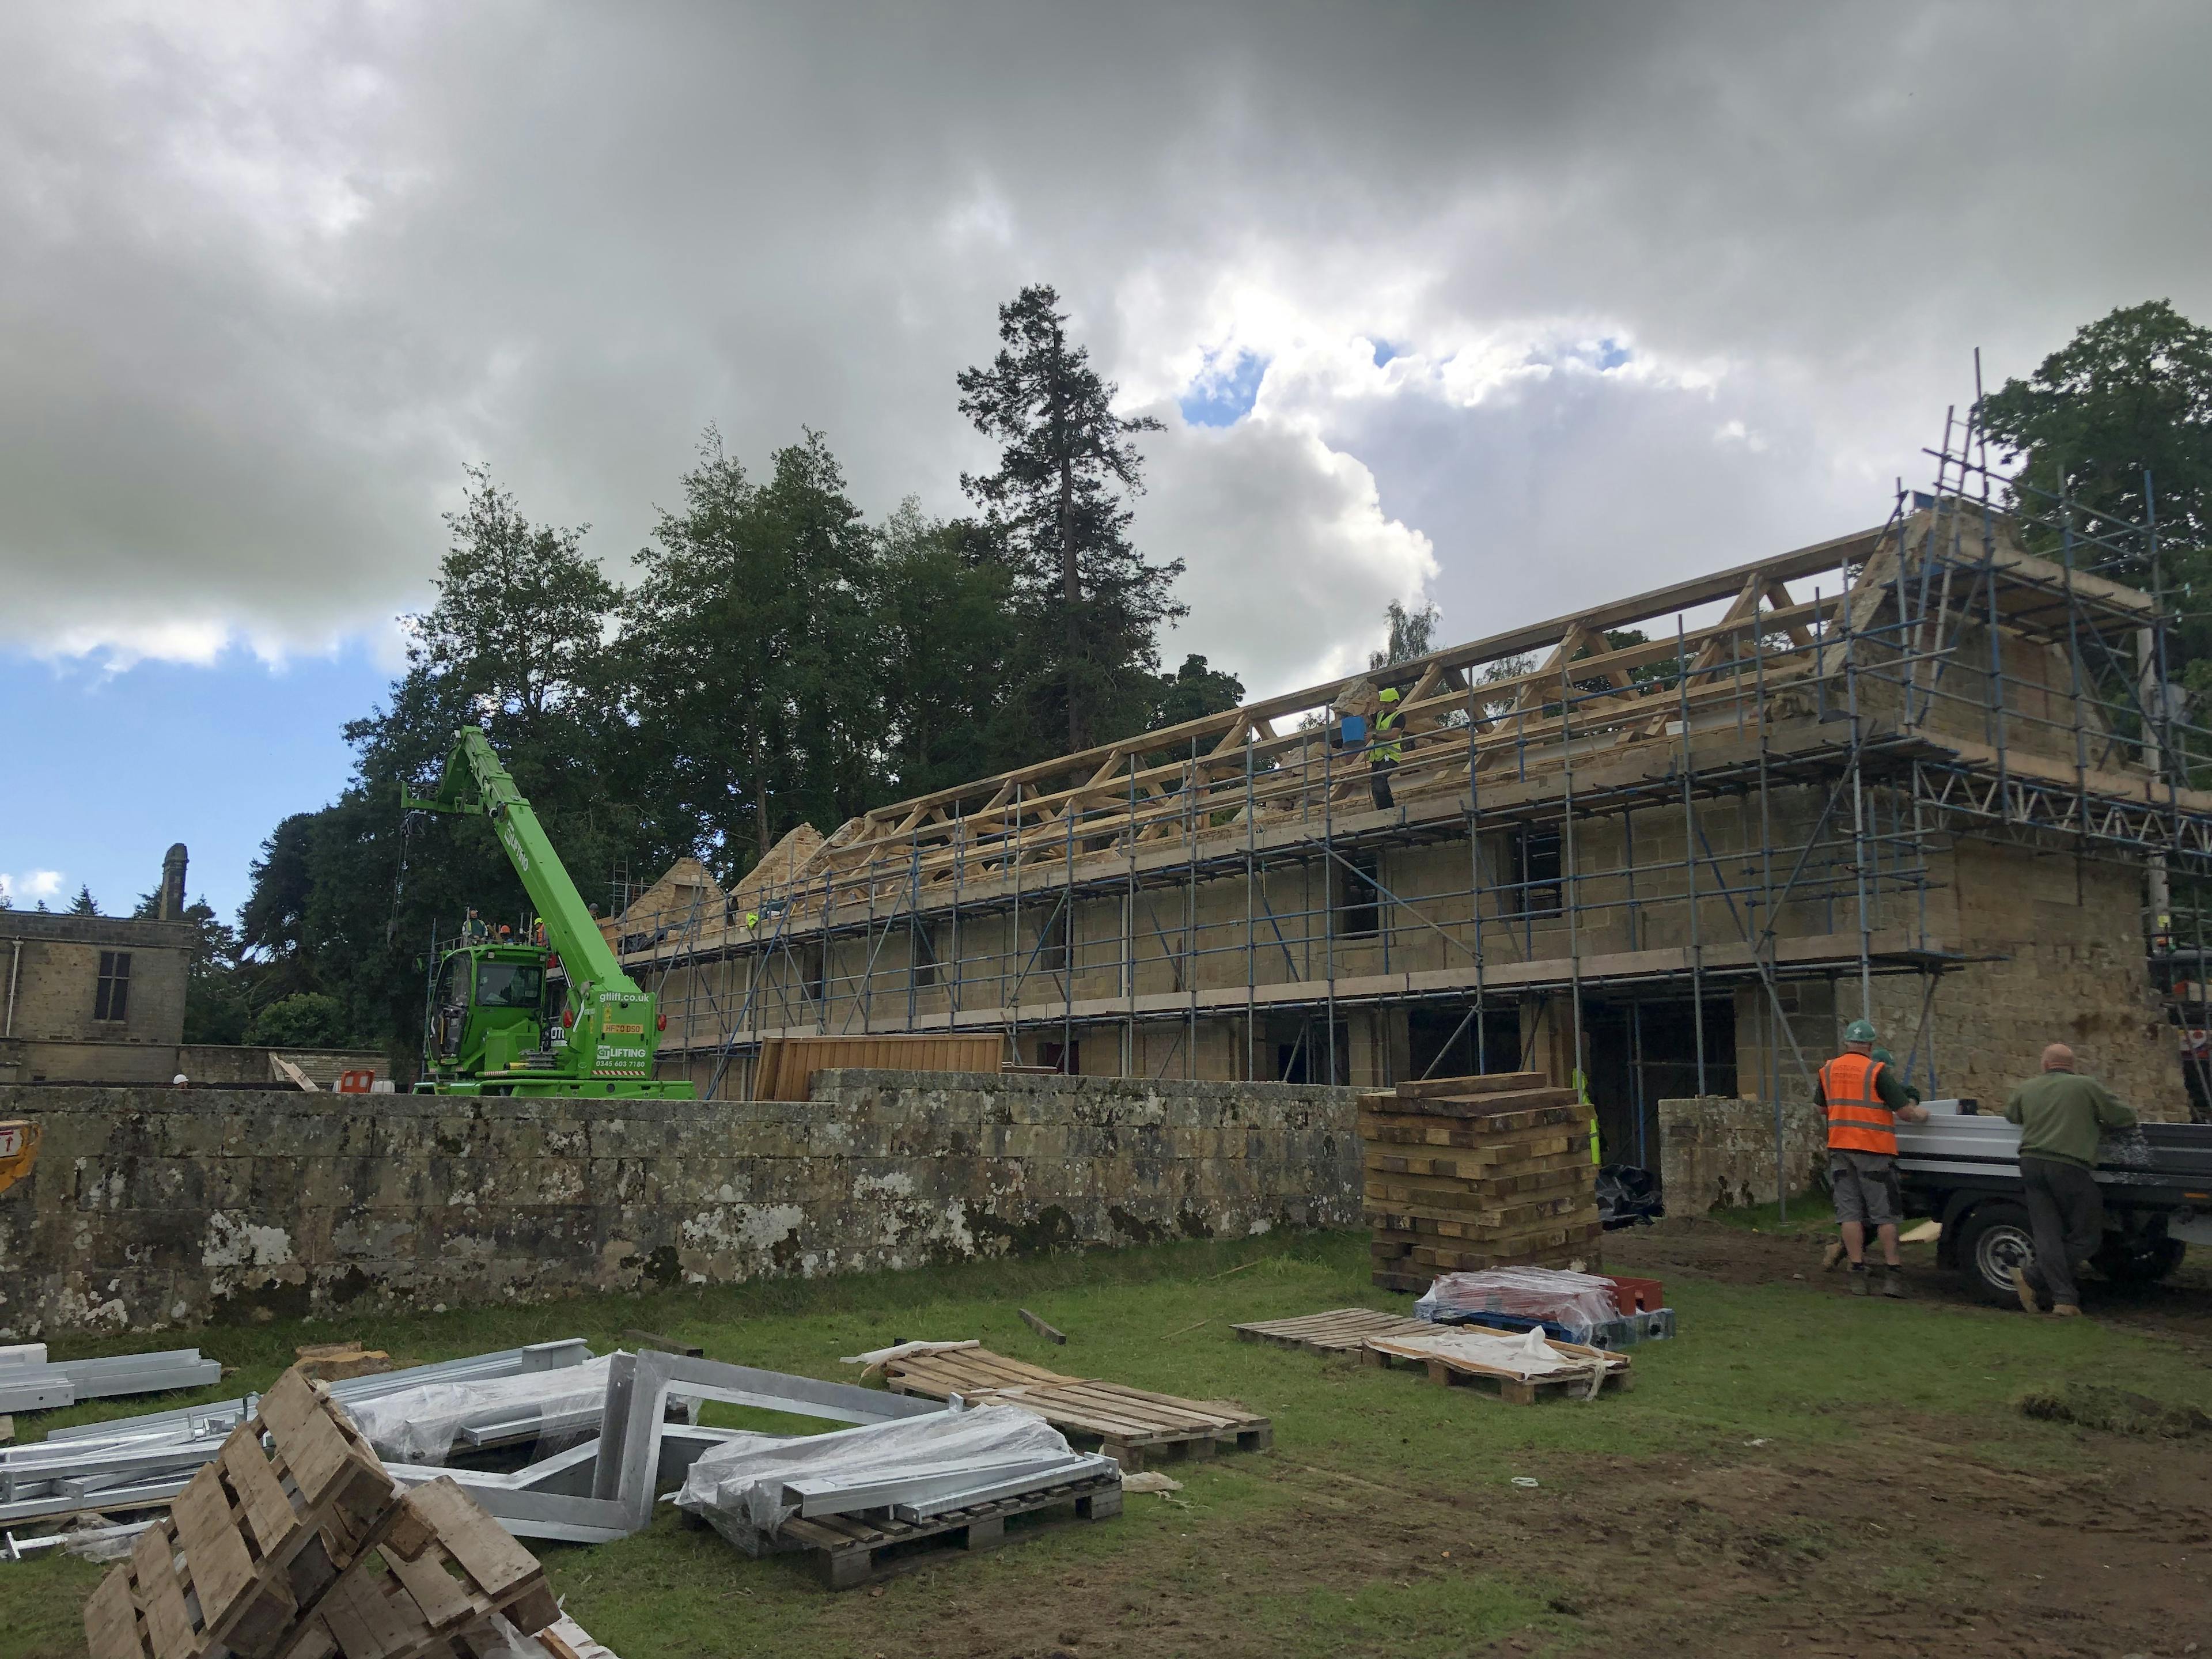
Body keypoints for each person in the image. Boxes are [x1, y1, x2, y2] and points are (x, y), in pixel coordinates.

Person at [2003, 1042, 2137, 1317]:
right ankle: (2033, 1277)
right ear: (2072, 1065)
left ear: (2045, 1064)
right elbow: (2125, 1117)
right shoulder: (2086, 1087)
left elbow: (2011, 1115)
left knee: (2048, 1234)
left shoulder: (2027, 1088)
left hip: (2030, 1164)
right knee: (2087, 1236)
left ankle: (2064, 1300)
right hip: (2069, 1166)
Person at [1817, 1018, 1929, 1297]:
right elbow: (1905, 1113)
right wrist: (1920, 1112)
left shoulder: (1828, 1070)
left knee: (1850, 1214)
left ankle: (1857, 1273)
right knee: (1885, 1215)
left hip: (1841, 1149)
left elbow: (1822, 1109)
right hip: (1875, 1151)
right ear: (1870, 1045)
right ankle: (1893, 1275)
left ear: (1847, 1043)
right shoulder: (1876, 1071)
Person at [1369, 686, 1404, 810]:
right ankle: (1382, 811)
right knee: (1375, 783)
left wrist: (1375, 735)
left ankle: (1389, 810)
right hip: (1378, 757)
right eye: (1382, 704)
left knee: (1380, 779)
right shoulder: (1379, 715)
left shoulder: (1399, 717)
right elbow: (1366, 720)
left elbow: (1394, 735)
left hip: (1391, 756)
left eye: (1387, 705)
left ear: (1395, 703)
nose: (1384, 707)